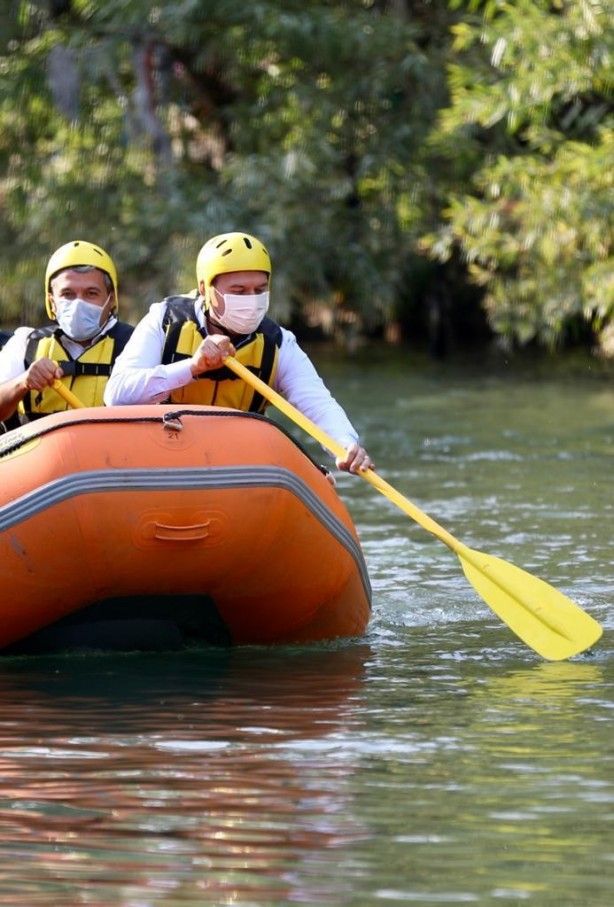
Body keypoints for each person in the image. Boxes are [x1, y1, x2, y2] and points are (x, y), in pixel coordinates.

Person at [104, 231, 372, 473]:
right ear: (204, 289)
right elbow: (117, 395)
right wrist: (193, 368)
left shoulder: (278, 342)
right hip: (162, 455)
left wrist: (345, 444)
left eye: (259, 290)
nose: (252, 300)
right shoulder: (164, 320)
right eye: (238, 291)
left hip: (234, 466)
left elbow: (317, 403)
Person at [0, 240, 133, 428]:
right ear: (51, 301)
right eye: (67, 294)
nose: (78, 304)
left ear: (111, 299)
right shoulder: (26, 344)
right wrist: (24, 382)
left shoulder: (136, 344)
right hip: (41, 455)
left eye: (91, 293)